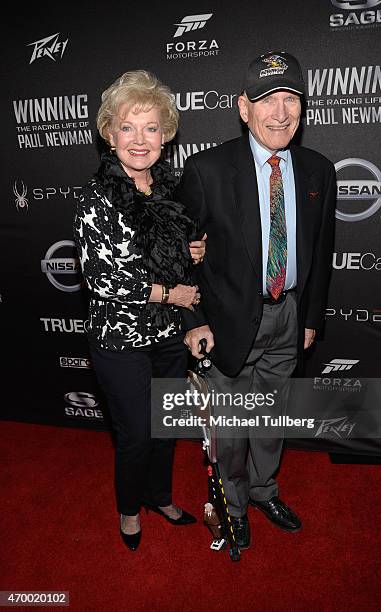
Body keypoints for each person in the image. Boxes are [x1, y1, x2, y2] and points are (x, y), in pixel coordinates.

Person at [177, 51, 336, 550]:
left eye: (292, 99)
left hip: (287, 316)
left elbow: (322, 248)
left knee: (269, 419)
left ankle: (265, 491)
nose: (282, 112)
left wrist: (308, 316)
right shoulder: (206, 169)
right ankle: (235, 503)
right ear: (244, 107)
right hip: (225, 323)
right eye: (268, 100)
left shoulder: (318, 170)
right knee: (229, 427)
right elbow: (177, 256)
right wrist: (195, 319)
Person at [73, 70, 206, 552]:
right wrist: (171, 293)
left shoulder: (170, 190)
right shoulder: (96, 200)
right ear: (109, 134)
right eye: (127, 127)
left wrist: (191, 253)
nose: (139, 139)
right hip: (120, 340)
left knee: (165, 426)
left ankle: (160, 496)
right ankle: (129, 511)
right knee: (135, 436)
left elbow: (178, 257)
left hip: (169, 336)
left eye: (150, 127)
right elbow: (106, 281)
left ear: (166, 134)